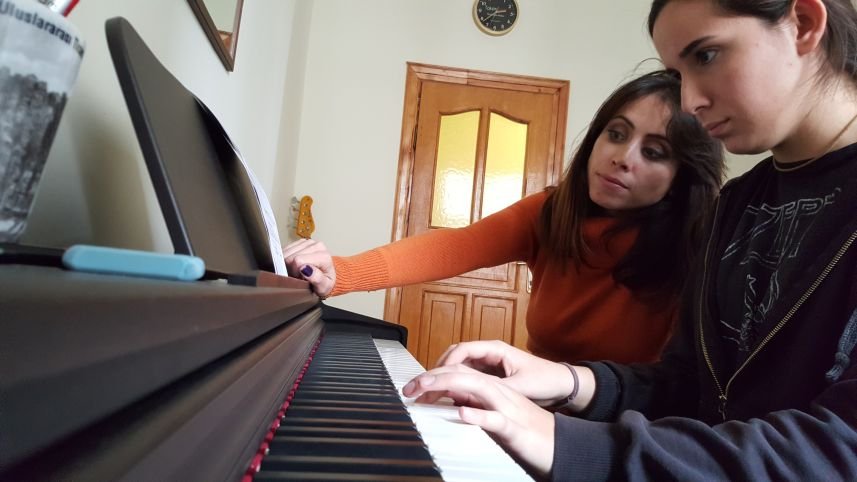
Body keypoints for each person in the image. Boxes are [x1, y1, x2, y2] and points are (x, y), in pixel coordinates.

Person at [402, 0, 857, 480]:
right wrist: (569, 381)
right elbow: (689, 387)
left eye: (706, 56)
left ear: (803, 23)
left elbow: (839, 449)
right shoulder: (738, 202)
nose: (689, 102)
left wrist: (564, 440)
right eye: (678, 74)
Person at [284, 70, 724, 365]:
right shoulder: (551, 213)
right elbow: (453, 246)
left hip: (621, 442)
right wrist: (340, 272)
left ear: (682, 177)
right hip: (533, 416)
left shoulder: (700, 247)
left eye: (654, 152)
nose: (622, 157)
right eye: (616, 133)